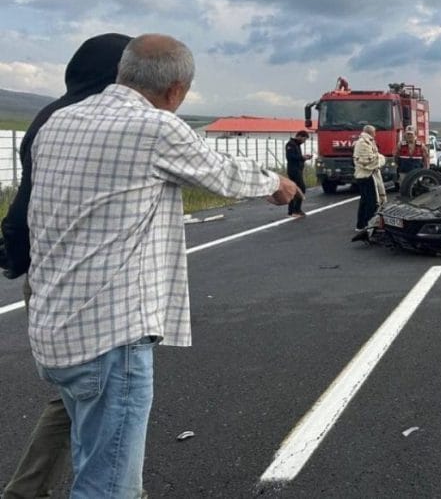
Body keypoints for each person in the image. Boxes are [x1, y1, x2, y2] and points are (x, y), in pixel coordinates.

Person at [25, 34, 299, 498]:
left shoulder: (59, 122)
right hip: (110, 338)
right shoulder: (155, 128)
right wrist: (278, 184)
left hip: (53, 328)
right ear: (176, 90)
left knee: (93, 458)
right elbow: (221, 172)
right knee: (109, 486)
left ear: (123, 71)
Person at [1, 33, 135, 499]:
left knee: (79, 395)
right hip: (81, 283)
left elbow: (26, 203)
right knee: (110, 392)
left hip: (48, 275)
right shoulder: (91, 122)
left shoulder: (51, 115)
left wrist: (18, 257)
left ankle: (29, 489)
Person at [353, 124, 387, 230]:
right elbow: (369, 161)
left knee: (365, 201)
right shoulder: (363, 143)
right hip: (366, 176)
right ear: (371, 132)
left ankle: (362, 224)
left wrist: (378, 157)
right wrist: (382, 159)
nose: (375, 134)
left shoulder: (366, 142)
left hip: (365, 176)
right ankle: (369, 225)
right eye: (374, 132)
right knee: (371, 202)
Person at [285, 130, 313, 217]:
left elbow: (297, 157)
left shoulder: (297, 145)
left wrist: (304, 158)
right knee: (301, 189)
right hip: (294, 170)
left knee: (294, 190)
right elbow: (290, 157)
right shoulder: (291, 144)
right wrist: (302, 157)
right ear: (299, 136)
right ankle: (296, 210)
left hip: (298, 169)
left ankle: (291, 211)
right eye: (304, 139)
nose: (304, 141)